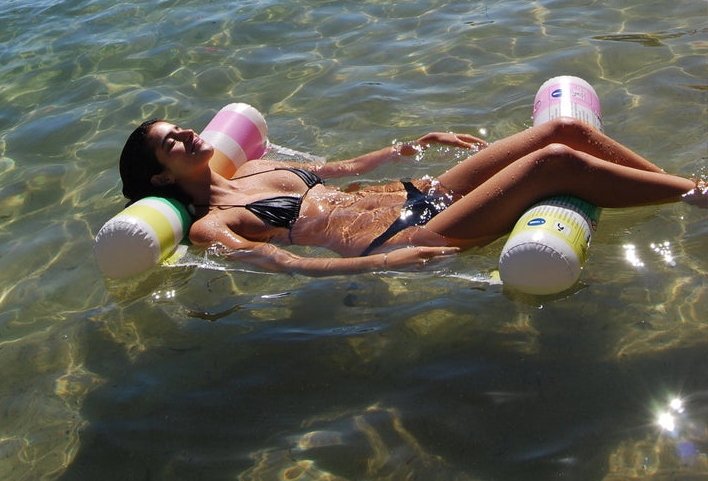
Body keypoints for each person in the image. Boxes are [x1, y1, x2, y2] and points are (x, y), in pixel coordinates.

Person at [119, 116, 705, 276]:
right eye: (173, 142)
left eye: (183, 126)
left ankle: (685, 188)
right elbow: (288, 265)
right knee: (553, 163)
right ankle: (698, 195)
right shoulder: (211, 225)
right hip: (407, 234)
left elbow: (341, 167)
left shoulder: (259, 165)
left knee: (563, 133)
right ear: (163, 178)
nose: (190, 134)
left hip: (424, 193)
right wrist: (383, 263)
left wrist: (409, 145)